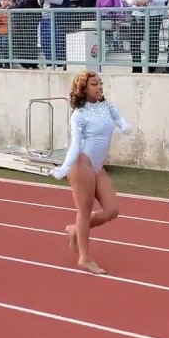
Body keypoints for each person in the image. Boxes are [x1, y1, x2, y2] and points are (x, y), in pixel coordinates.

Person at [50, 71, 132, 275]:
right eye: (94, 84)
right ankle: (85, 258)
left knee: (112, 210)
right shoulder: (79, 114)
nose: (100, 87)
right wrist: (66, 166)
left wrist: (124, 125)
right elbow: (75, 145)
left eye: (100, 83)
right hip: (81, 164)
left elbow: (119, 118)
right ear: (83, 89)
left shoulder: (108, 106)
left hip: (97, 167)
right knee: (84, 212)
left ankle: (75, 229)